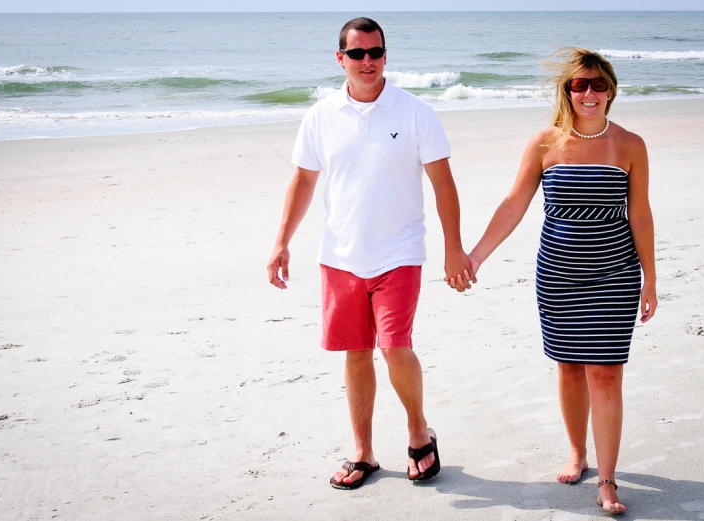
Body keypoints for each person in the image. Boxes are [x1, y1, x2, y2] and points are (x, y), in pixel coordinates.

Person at [266, 17, 475, 490]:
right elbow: (303, 181)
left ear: (386, 54)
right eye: (357, 54)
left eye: (375, 52)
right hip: (339, 255)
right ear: (340, 58)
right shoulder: (320, 116)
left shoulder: (415, 112)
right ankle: (363, 453)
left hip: (400, 252)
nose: (368, 62)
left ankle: (419, 431)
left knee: (393, 346)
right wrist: (281, 242)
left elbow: (443, 184)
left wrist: (454, 249)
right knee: (356, 353)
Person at [457, 48, 657, 514]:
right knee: (569, 368)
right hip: (559, 277)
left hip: (615, 275)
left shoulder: (631, 145)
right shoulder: (545, 143)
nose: (590, 93)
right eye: (579, 85)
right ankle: (577, 452)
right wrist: (476, 256)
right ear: (566, 91)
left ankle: (606, 479)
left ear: (611, 90)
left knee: (605, 375)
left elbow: (640, 215)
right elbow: (513, 205)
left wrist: (650, 278)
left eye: (598, 84)